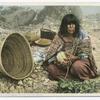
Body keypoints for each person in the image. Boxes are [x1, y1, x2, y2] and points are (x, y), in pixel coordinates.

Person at [45, 14, 97, 81]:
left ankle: (82, 75)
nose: (71, 27)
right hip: (64, 65)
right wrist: (58, 60)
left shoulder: (82, 36)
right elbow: (51, 54)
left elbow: (86, 54)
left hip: (79, 61)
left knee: (77, 67)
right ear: (64, 25)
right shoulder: (59, 36)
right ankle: (72, 78)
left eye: (73, 24)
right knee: (51, 68)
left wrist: (75, 58)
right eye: (68, 24)